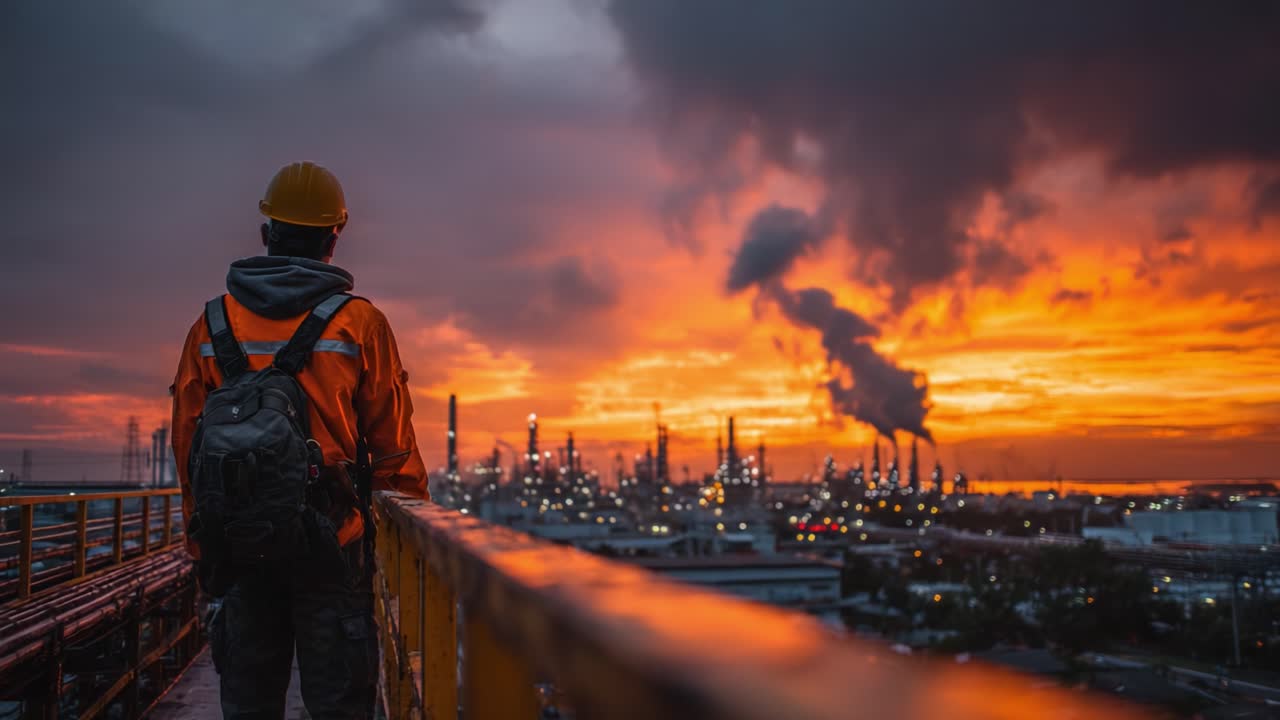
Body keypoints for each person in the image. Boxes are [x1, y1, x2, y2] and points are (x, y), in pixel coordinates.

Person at [171, 161, 429, 719]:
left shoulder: (211, 324)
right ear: (335, 237)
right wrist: (403, 549)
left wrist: (202, 549)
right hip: (332, 544)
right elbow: (393, 451)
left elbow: (187, 447)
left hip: (239, 546)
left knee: (248, 701)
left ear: (266, 233)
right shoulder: (359, 324)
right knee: (338, 704)